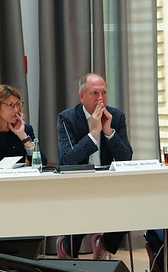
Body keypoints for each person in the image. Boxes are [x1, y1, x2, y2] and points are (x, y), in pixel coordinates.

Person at [56, 73, 133, 259]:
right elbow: (68, 158)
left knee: (131, 205)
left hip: (107, 181)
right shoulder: (67, 118)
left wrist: (108, 131)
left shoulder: (116, 116)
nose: (101, 99)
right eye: (95, 93)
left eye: (104, 93)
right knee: (84, 212)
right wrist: (95, 131)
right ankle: (67, 247)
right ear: (82, 97)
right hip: (77, 181)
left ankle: (104, 244)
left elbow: (126, 157)